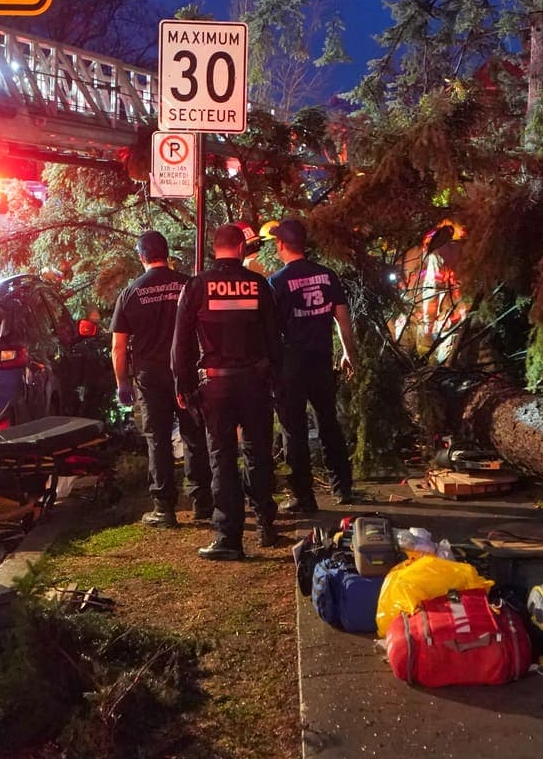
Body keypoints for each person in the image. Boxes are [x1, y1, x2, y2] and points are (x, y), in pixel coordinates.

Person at [172, 224, 281, 560]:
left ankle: (229, 537)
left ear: (215, 248)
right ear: (240, 247)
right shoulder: (258, 284)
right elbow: (274, 336)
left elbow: (181, 343)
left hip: (215, 383)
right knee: (258, 452)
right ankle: (266, 523)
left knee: (221, 457)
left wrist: (183, 384)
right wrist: (274, 379)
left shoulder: (197, 285)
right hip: (254, 381)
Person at [111, 231, 212, 527]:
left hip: (149, 377)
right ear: (166, 254)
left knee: (158, 440)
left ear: (141, 256)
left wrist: (123, 383)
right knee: (194, 435)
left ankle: (164, 508)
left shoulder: (130, 293)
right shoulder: (188, 285)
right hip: (186, 373)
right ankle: (202, 501)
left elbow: (118, 347)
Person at [267, 218, 358, 513]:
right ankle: (342, 487)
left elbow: (270, 328)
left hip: (291, 365)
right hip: (321, 359)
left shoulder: (277, 282)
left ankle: (302, 496)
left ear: (281, 244)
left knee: (294, 430)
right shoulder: (327, 276)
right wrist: (348, 353)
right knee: (328, 421)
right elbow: (342, 317)